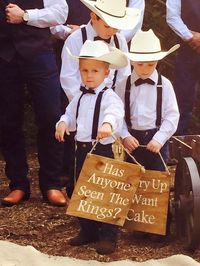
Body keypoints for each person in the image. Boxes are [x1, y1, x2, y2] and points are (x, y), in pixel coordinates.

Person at [55, 40, 127, 254]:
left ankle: (108, 235)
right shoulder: (79, 96)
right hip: (82, 149)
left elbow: (115, 113)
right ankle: (87, 229)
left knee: (105, 192)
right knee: (82, 190)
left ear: (106, 73)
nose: (89, 75)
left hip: (103, 150)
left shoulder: (109, 97)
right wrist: (62, 123)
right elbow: (69, 113)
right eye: (84, 70)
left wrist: (107, 124)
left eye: (95, 70)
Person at [0, 0, 68, 207]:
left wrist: (26, 16)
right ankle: (18, 184)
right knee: (8, 120)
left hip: (40, 53)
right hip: (4, 55)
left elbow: (60, 13)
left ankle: (52, 184)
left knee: (51, 117)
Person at [116, 29, 180, 171]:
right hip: (132, 143)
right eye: (140, 64)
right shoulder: (122, 85)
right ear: (131, 61)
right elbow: (116, 113)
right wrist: (125, 135)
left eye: (150, 65)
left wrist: (159, 138)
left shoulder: (165, 85)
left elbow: (172, 115)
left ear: (157, 61)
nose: (145, 70)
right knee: (131, 181)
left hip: (156, 142)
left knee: (156, 182)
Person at [60, 0, 141, 102]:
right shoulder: (76, 39)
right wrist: (83, 104)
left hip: (110, 104)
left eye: (116, 28)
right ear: (94, 17)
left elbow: (124, 76)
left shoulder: (120, 41)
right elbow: (68, 78)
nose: (111, 31)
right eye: (107, 26)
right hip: (80, 101)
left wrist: (114, 104)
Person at [166, 0, 200, 135]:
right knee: (182, 100)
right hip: (187, 50)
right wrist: (191, 37)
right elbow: (172, 16)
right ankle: (178, 145)